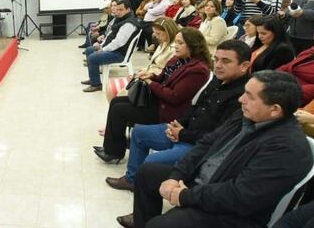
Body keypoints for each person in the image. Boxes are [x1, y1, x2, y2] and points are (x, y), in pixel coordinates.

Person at [118, 71, 312, 228]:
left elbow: (241, 196)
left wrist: (185, 196)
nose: (241, 99)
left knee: (160, 226)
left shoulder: (286, 148)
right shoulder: (247, 116)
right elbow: (206, 144)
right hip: (206, 184)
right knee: (148, 171)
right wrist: (175, 176)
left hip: (233, 214)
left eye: (250, 97)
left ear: (275, 110)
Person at [105, 40, 251, 192]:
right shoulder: (218, 80)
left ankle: (146, 207)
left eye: (225, 61)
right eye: (216, 60)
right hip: (185, 131)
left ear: (244, 66)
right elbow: (195, 106)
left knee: (151, 163)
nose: (218, 65)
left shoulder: (243, 96)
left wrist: (182, 134)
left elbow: (219, 136)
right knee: (139, 132)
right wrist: (178, 124)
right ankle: (132, 179)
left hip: (199, 145)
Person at [95, 27, 211, 163]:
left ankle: (113, 152)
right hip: (159, 101)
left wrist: (150, 83)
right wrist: (152, 76)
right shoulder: (178, 60)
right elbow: (163, 78)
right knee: (116, 102)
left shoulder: (197, 70)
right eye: (176, 42)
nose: (176, 46)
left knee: (119, 110)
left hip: (168, 110)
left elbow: (174, 97)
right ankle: (112, 148)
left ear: (193, 45)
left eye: (180, 43)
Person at [82, 0, 139, 92]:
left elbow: (119, 42)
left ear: (128, 9)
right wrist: (102, 44)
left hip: (119, 54)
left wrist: (103, 49)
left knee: (92, 57)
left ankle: (96, 85)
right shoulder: (121, 19)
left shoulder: (128, 24)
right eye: (117, 9)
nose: (118, 11)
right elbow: (111, 35)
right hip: (113, 49)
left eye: (121, 9)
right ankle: (93, 78)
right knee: (89, 50)